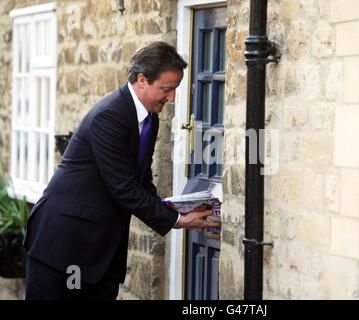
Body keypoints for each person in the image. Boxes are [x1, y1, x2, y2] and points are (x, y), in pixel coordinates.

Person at [23, 41, 219, 300]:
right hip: (63, 245)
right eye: (166, 89)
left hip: (101, 252)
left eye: (175, 90)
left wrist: (177, 208)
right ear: (141, 80)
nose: (172, 98)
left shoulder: (150, 119)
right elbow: (122, 187)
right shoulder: (109, 116)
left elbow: (141, 181)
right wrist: (176, 221)